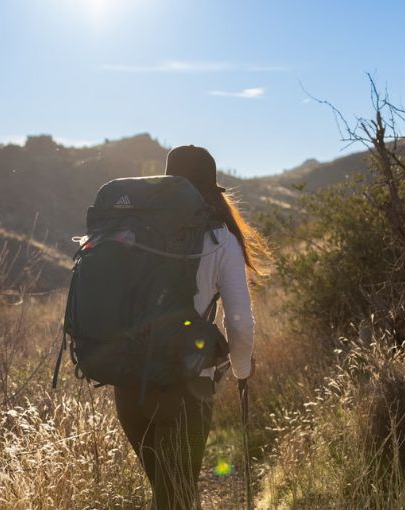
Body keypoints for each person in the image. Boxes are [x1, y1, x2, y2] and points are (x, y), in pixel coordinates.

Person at [114, 145, 267, 509]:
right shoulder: (220, 240)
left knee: (166, 495)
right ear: (211, 189)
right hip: (184, 387)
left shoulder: (130, 232)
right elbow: (240, 322)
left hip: (129, 386)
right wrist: (242, 369)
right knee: (178, 497)